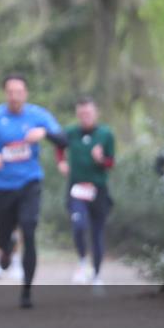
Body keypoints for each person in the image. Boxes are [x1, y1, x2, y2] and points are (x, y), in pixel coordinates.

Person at [0, 75, 65, 308]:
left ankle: (27, 291)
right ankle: (5, 250)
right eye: (10, 92)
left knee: (29, 229)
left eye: (19, 91)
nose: (15, 96)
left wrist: (45, 134)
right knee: (3, 237)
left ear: (26, 93)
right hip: (1, 187)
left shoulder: (38, 116)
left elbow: (64, 139)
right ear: (5, 94)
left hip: (29, 184)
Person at [55, 96, 115, 286]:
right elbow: (58, 145)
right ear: (77, 114)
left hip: (98, 189)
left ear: (96, 113)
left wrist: (101, 159)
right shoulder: (71, 132)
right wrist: (61, 161)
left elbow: (111, 163)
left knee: (97, 232)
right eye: (81, 113)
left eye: (88, 113)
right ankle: (82, 262)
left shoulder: (106, 134)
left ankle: (96, 273)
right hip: (76, 189)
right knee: (79, 225)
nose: (85, 116)